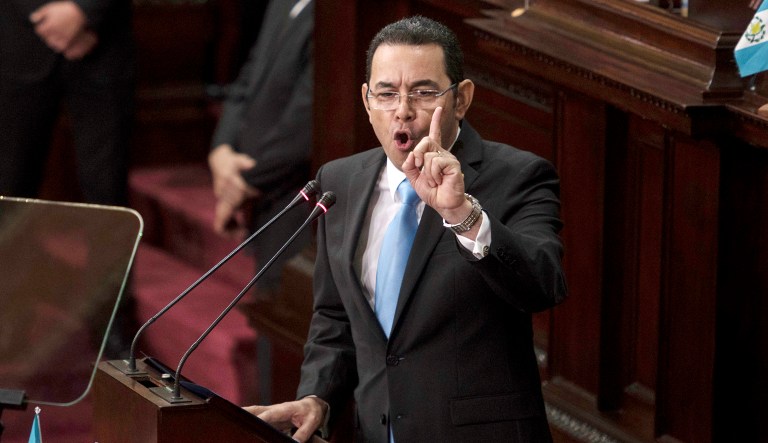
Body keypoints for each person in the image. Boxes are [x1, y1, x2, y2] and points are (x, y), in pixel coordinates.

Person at [245, 15, 567, 442]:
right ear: (366, 100)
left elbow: (543, 286)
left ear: (462, 99)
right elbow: (335, 315)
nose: (403, 110)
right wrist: (317, 397)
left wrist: (463, 215)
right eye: (387, 93)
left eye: (424, 92)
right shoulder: (339, 181)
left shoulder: (520, 176)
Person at [208, 0, 314, 299]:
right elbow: (248, 78)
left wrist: (243, 183)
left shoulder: (339, 15)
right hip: (264, 195)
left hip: (297, 200)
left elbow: (306, 121)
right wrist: (222, 148)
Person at [0, 0, 135, 206]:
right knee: (11, 184)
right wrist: (45, 17)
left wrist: (84, 12)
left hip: (103, 43)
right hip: (17, 44)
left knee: (106, 186)